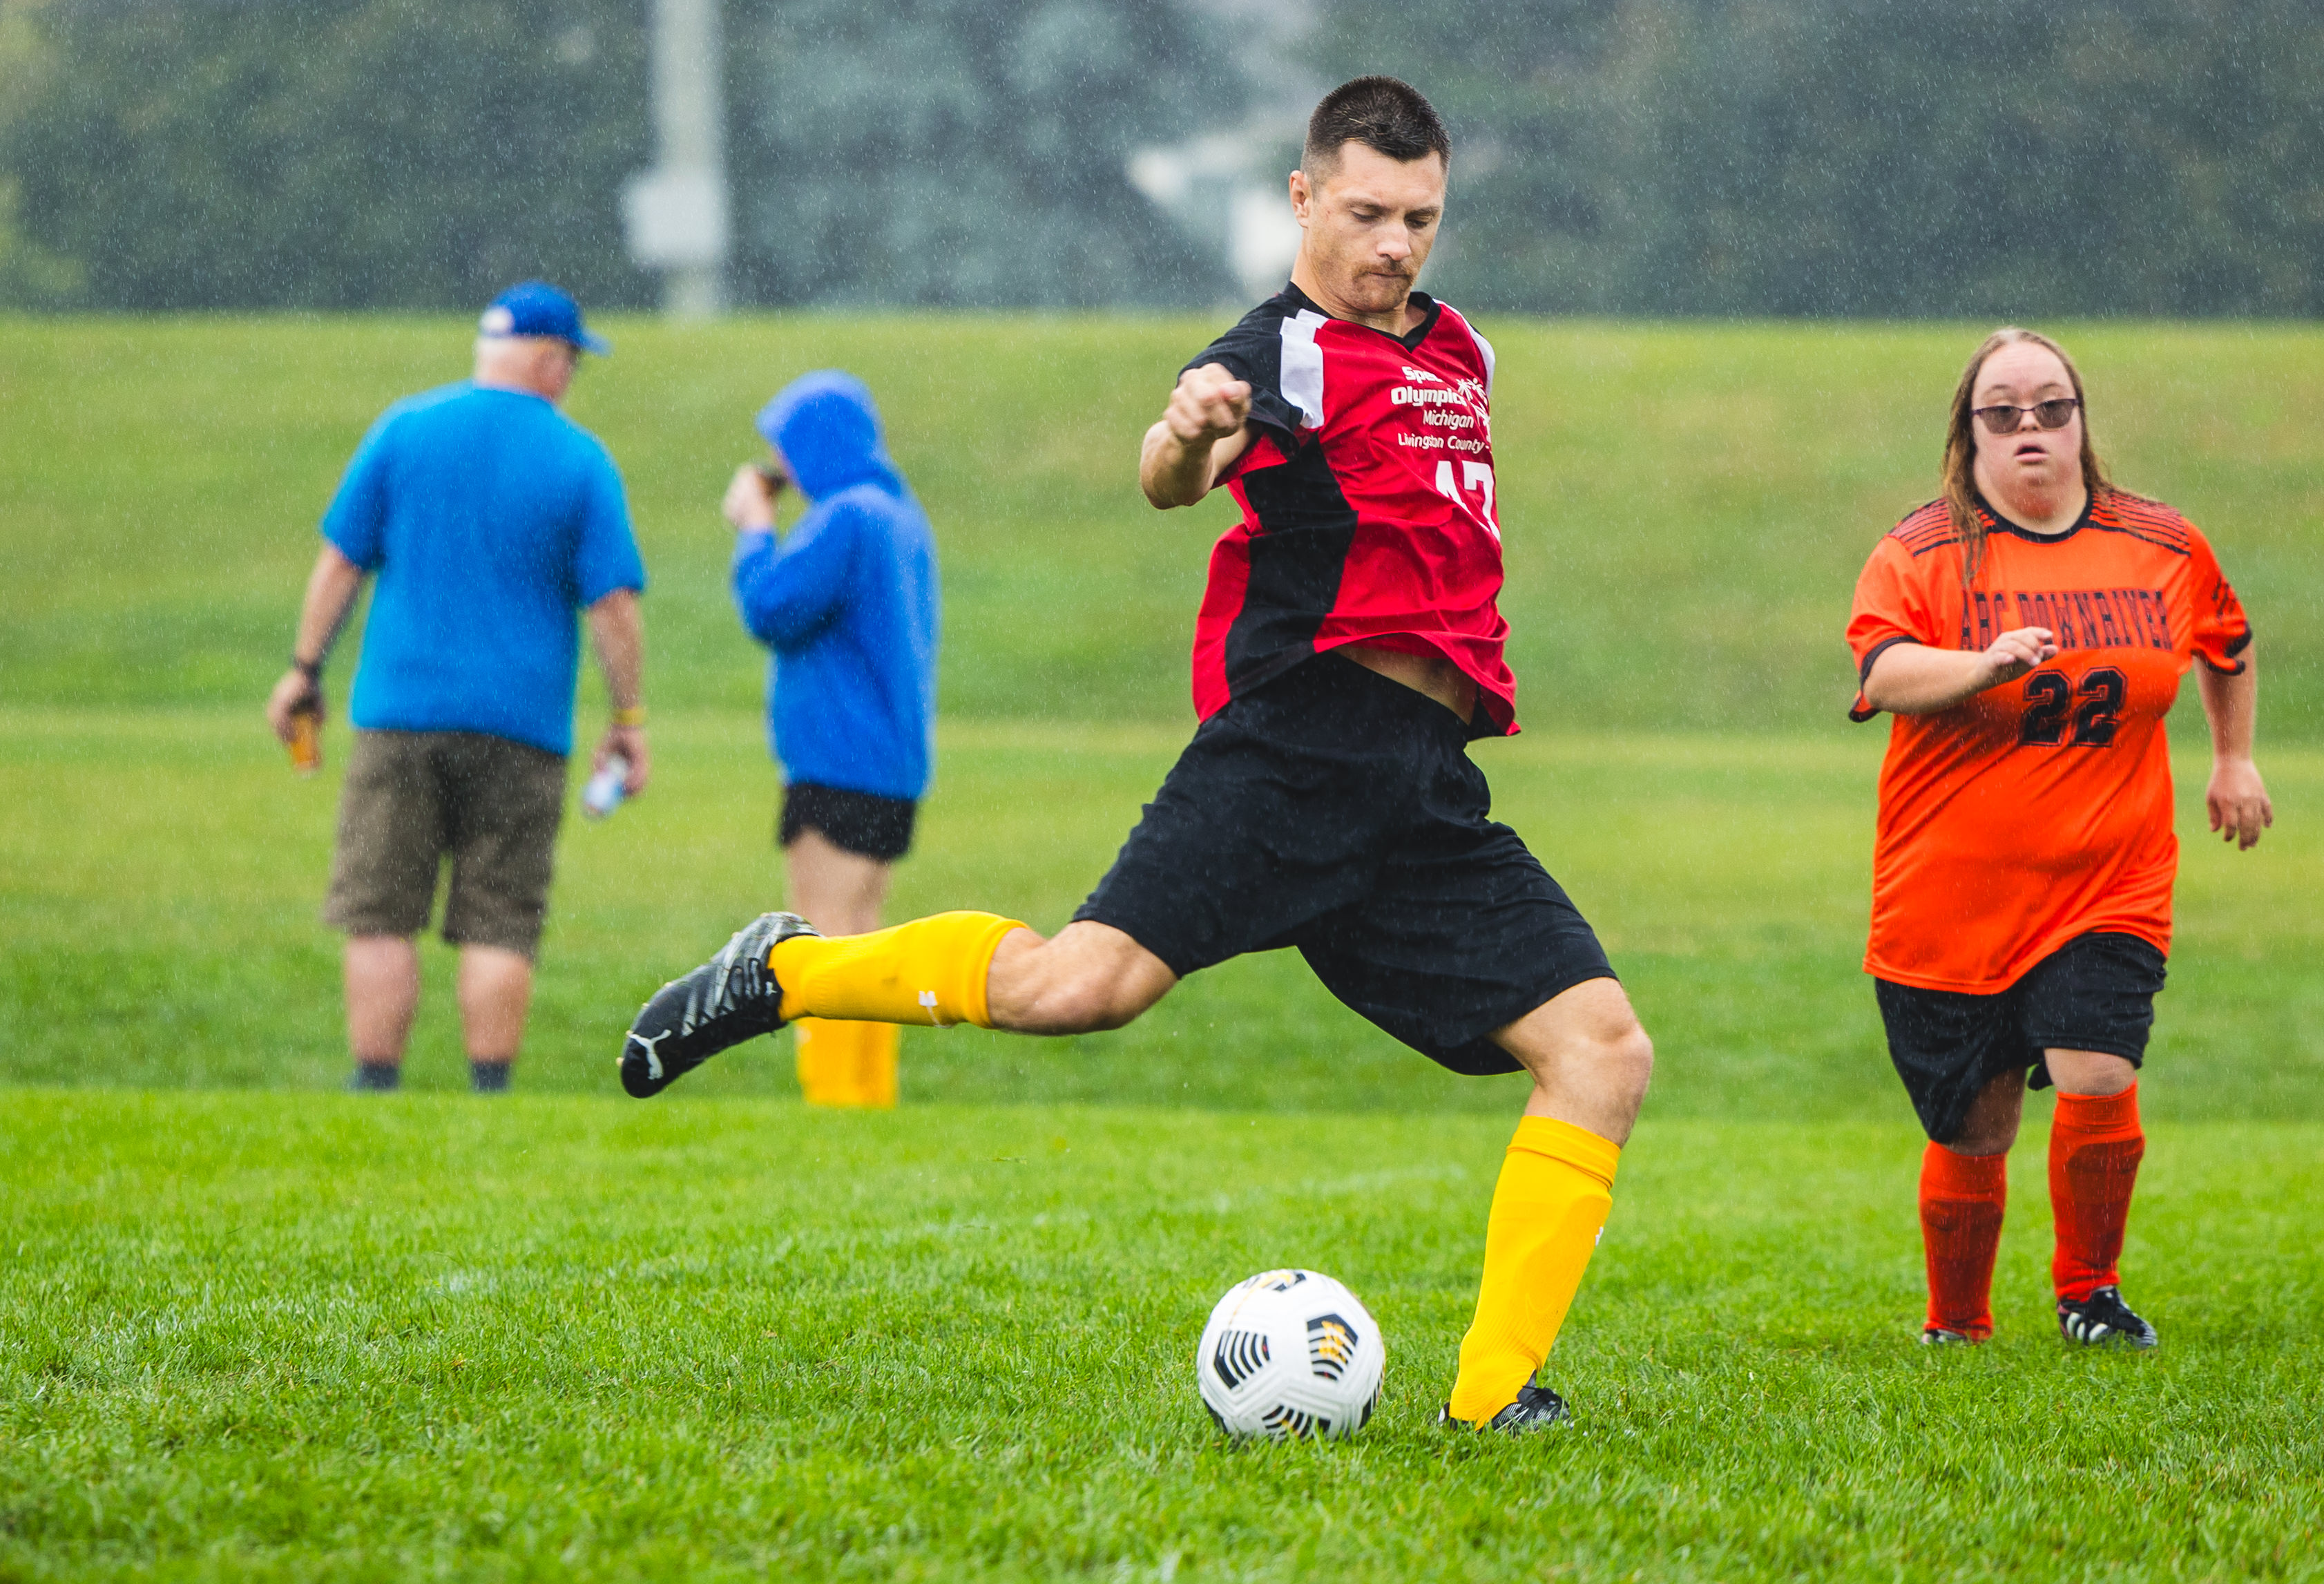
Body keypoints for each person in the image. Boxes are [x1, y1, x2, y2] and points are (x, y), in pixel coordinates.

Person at [617, 76, 1653, 1433]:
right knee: (1076, 988)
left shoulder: (1460, 352)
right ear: (1301, 198)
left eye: (1419, 217)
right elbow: (1169, 471)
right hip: (1291, 752)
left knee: (1600, 1052)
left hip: (1417, 783)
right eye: (1364, 212)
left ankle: (1493, 1398)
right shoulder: (1270, 352)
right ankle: (784, 973)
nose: (1393, 243)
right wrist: (1186, 436)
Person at [1845, 326, 2273, 1350]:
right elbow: (1880, 674)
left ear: (2080, 422)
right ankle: (1956, 1322)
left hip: (2106, 878)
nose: (2030, 427)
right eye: (2003, 413)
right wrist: (1982, 665)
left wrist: (2232, 759)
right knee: (1972, 1122)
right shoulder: (1922, 550)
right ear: (1969, 435)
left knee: (2097, 1068)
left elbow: (2226, 639)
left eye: (2051, 408)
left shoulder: (2161, 542)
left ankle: (2089, 1290)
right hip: (1948, 893)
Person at [265, 280, 649, 1095]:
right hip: (522, 724)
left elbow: (341, 561)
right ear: (548, 360)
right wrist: (628, 717)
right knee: (501, 916)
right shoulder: (580, 460)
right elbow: (613, 606)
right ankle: (488, 1087)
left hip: (399, 714)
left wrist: (304, 670)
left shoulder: (404, 431)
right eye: (572, 361)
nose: (572, 376)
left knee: (379, 910)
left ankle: (375, 1081)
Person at [720, 371, 939, 1107]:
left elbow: (770, 608)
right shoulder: (899, 515)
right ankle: (870, 1095)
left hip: (835, 757)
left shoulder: (843, 518)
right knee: (868, 935)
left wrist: (754, 528)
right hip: (893, 763)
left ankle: (833, 1100)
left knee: (822, 938)